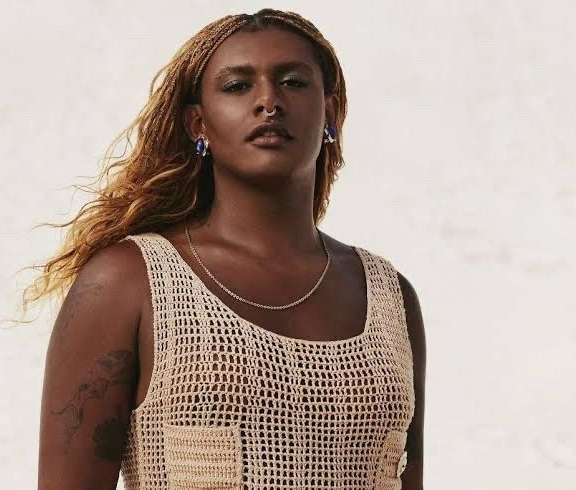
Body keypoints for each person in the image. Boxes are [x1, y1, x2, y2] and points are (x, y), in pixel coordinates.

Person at [30, 8, 426, 489]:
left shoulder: (388, 297)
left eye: (293, 82)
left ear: (332, 112)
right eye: (238, 86)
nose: (269, 101)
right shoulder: (128, 281)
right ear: (198, 123)